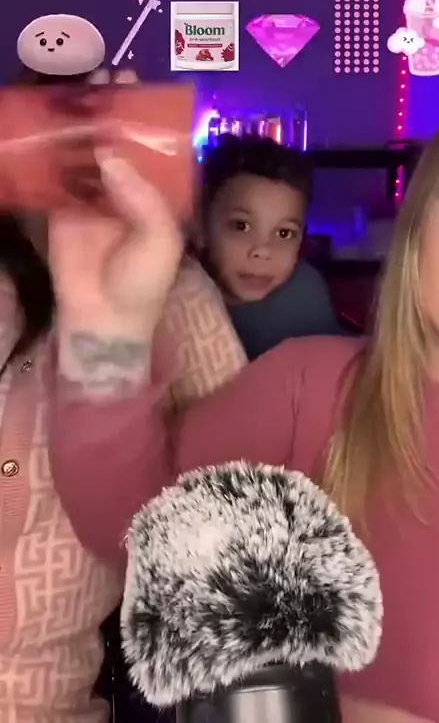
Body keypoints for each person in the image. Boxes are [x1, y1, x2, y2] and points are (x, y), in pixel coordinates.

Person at [49, 100, 439, 723]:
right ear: (416, 224)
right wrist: (108, 333)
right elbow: (132, 525)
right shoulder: (309, 387)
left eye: (284, 233)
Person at [0, 49, 247, 722]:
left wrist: (110, 336)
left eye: (99, 137)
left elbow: (230, 533)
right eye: (49, 133)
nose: (76, 165)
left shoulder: (178, 296)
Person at [195, 134, 344, 359]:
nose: (263, 251)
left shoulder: (305, 296)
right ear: (201, 225)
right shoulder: (178, 297)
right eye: (241, 226)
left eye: (284, 233)